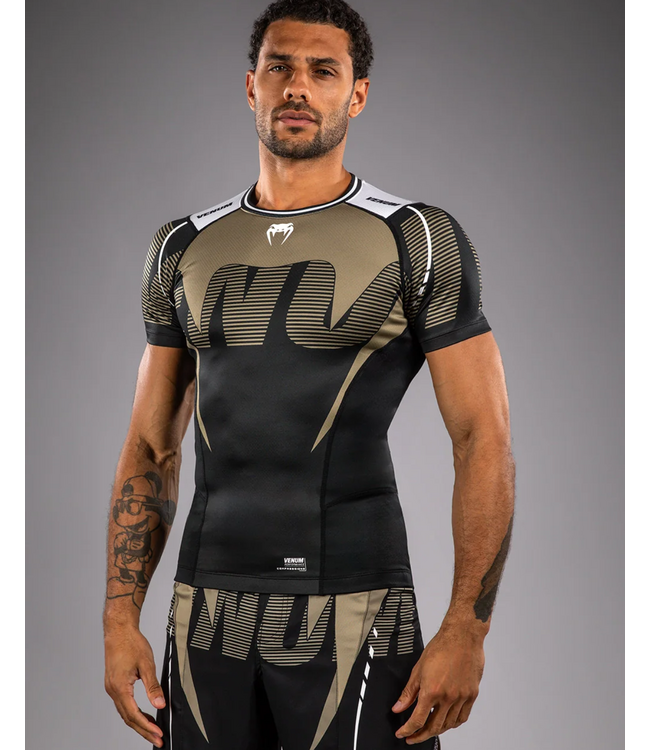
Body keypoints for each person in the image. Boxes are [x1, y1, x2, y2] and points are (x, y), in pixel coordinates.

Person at [103, 1, 515, 748]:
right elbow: (150, 445)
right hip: (205, 615)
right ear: (251, 86)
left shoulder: (416, 237)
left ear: (356, 95)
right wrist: (119, 617)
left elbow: (482, 437)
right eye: (279, 67)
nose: (297, 86)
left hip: (357, 609)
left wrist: (467, 627)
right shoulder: (182, 245)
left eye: (323, 71)